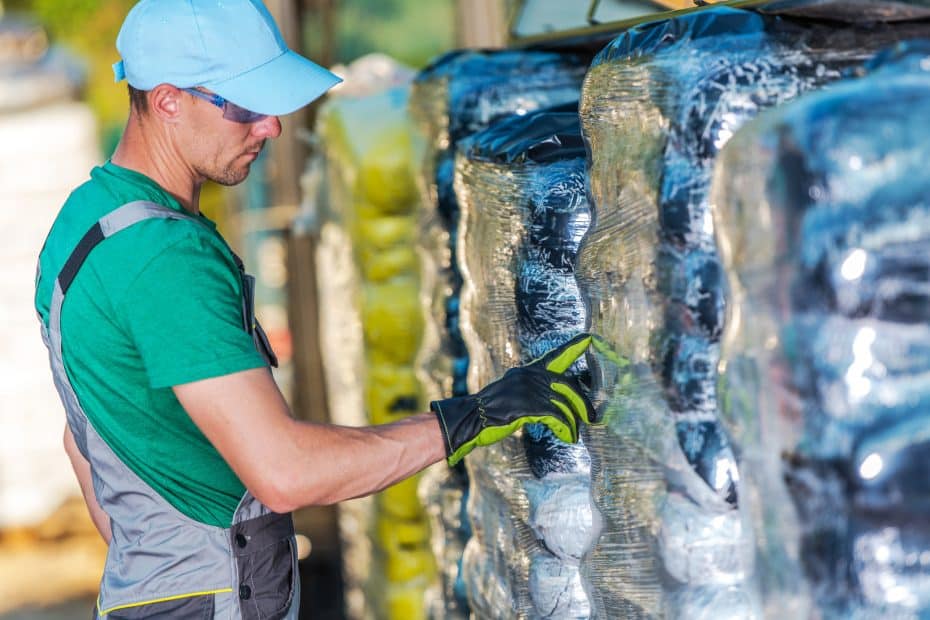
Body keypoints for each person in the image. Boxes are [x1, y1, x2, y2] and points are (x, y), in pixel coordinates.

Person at [33, 1, 596, 618]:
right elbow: (285, 471)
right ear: (167, 100)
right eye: (245, 105)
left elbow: (81, 438)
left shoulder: (86, 222)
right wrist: (474, 416)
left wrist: (159, 561)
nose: (271, 127)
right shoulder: (164, 258)